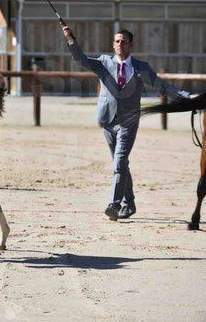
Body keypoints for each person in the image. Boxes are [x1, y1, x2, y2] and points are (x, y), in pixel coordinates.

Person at [62, 24, 197, 221]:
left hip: (129, 122)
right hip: (108, 121)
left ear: (130, 45)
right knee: (121, 164)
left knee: (119, 163)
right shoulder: (103, 62)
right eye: (117, 41)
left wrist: (186, 96)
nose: (119, 45)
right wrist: (71, 40)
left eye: (124, 42)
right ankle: (130, 203)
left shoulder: (141, 68)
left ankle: (115, 204)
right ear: (113, 44)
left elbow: (163, 87)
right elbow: (80, 60)